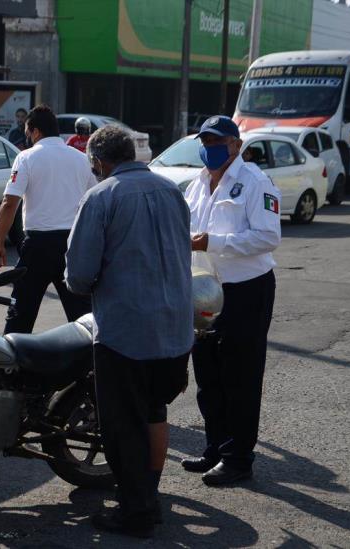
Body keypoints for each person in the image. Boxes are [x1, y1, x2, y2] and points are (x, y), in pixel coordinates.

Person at [65, 125, 194, 539]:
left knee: (123, 425)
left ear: (99, 162)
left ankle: (136, 511)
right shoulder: (172, 191)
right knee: (155, 412)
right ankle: (149, 499)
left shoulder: (101, 197)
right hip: (175, 329)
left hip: (126, 333)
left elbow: (79, 276)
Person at [181, 115, 281, 486]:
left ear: (236, 145)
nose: (210, 149)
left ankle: (239, 457)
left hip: (245, 290)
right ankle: (215, 448)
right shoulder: (197, 183)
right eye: (205, 142)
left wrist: (214, 242)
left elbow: (268, 237)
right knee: (208, 372)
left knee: (241, 374)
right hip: (203, 289)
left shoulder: (256, 182)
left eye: (218, 142)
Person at [0, 104, 95, 334]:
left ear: (35, 131)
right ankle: (91, 366)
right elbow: (94, 201)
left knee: (20, 316)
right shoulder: (80, 159)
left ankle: (13, 367)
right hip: (72, 245)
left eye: (28, 132)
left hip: (37, 246)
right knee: (83, 317)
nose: (28, 137)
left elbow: (9, 203)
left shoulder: (26, 158)